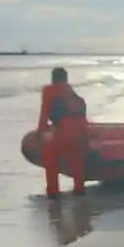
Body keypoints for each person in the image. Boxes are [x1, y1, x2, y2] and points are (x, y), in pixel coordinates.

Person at [37, 67, 88, 199]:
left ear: (53, 78)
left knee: (50, 156)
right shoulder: (71, 92)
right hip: (81, 131)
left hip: (66, 129)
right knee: (77, 160)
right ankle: (79, 190)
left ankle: (53, 193)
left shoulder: (50, 91)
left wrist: (40, 131)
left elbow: (45, 114)